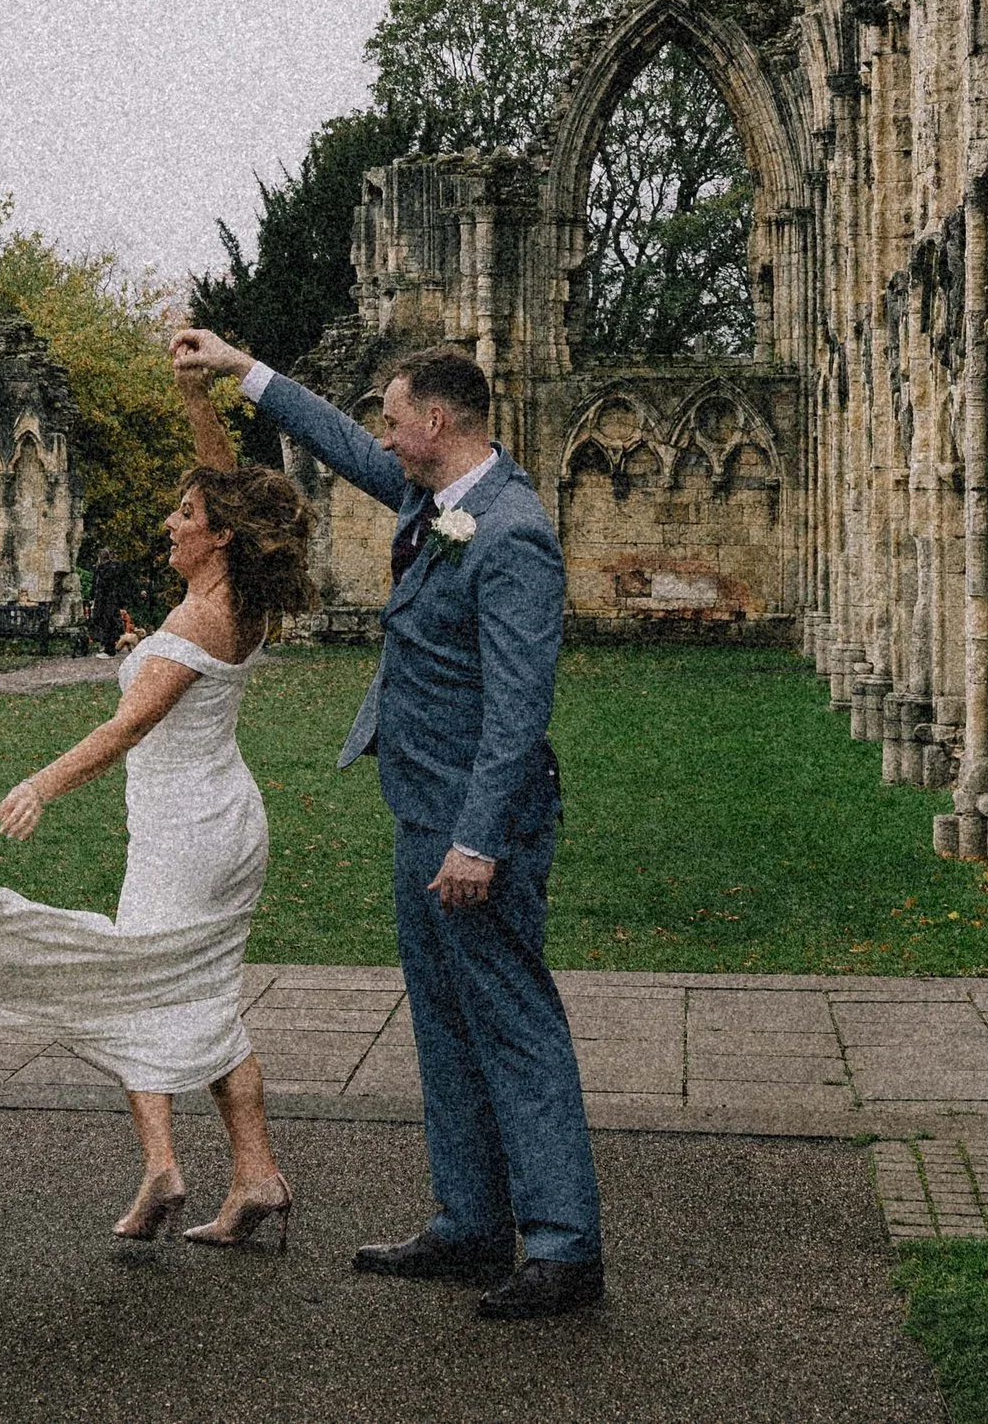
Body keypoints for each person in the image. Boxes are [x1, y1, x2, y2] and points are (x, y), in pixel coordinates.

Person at [171, 326, 604, 1321]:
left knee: (513, 1023)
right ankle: (468, 1223)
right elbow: (342, 447)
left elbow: (517, 706)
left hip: (473, 824)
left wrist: (478, 839)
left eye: (395, 416)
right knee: (444, 1024)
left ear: (436, 422)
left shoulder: (509, 531)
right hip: (421, 806)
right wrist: (245, 369)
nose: (385, 432)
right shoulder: (437, 494)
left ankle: (563, 1244)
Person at [0, 376, 311, 1250]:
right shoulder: (235, 592)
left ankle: (173, 1166)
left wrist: (41, 784)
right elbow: (225, 478)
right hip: (212, 821)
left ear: (221, 537)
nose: (170, 522)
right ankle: (250, 1176)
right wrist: (194, 392)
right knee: (191, 992)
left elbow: (128, 726)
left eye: (184, 514)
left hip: (189, 832)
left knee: (135, 983)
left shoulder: (209, 618)